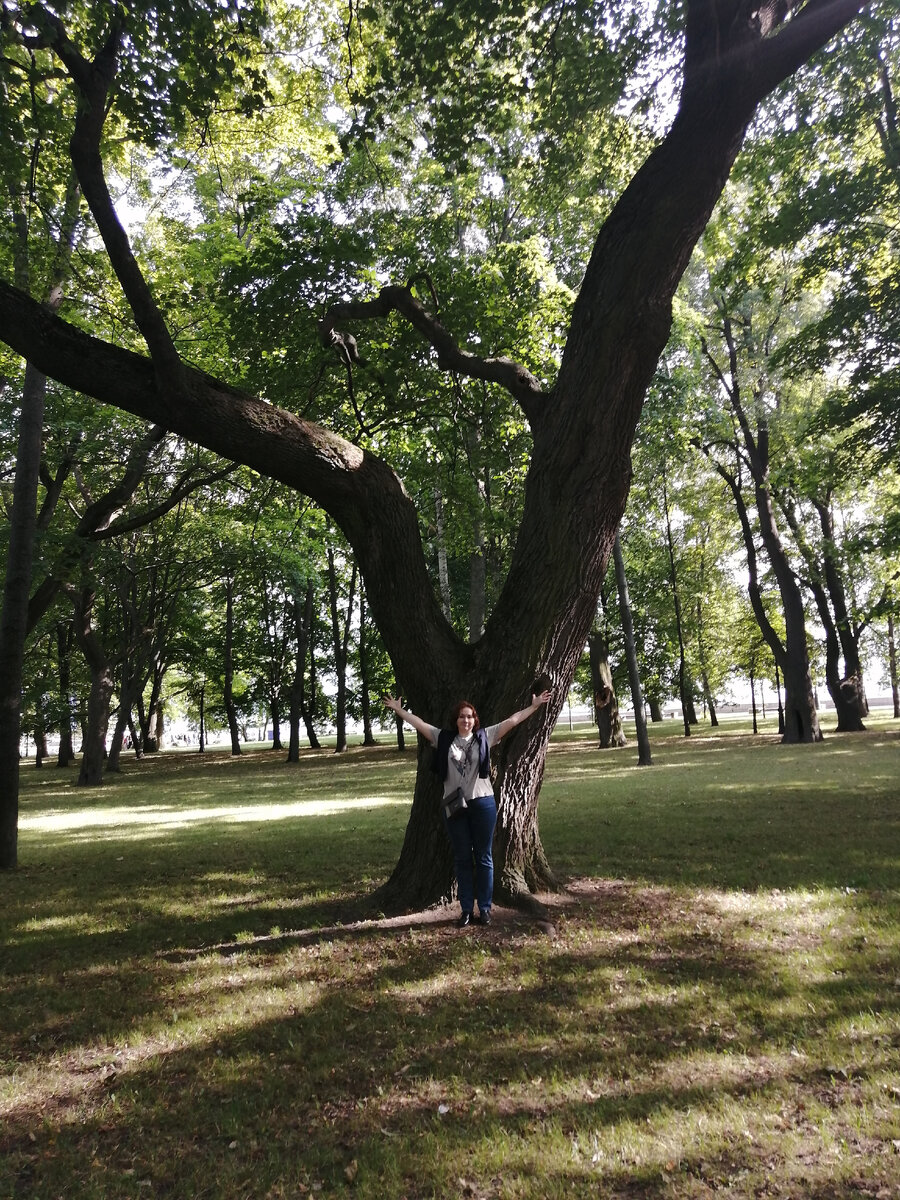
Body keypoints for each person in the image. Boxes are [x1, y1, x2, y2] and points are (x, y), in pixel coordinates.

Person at [382, 689, 553, 928]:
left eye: (470, 716)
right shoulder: (442, 738)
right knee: (462, 858)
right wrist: (400, 711)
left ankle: (484, 909)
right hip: (454, 803)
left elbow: (512, 721)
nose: (466, 720)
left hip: (483, 803)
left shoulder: (486, 736)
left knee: (483, 858)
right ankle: (465, 910)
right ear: (456, 720)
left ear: (475, 720)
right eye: (462, 716)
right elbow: (420, 723)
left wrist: (534, 706)